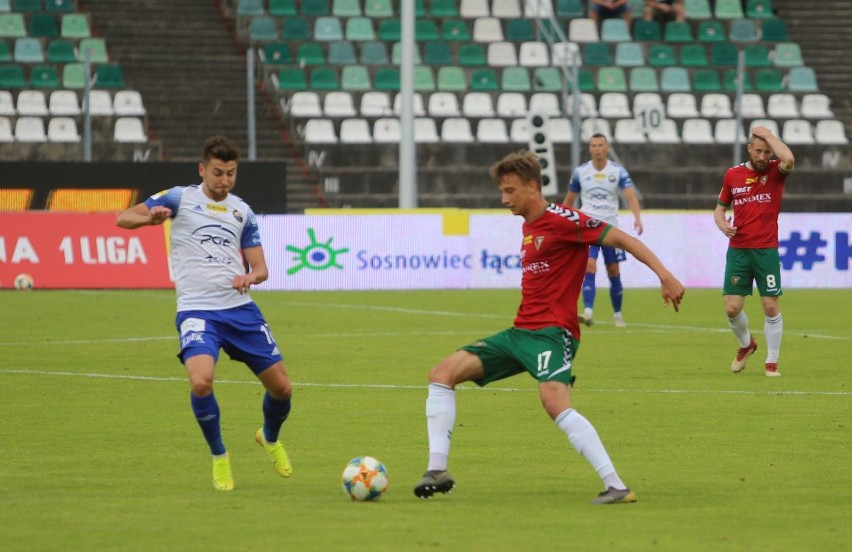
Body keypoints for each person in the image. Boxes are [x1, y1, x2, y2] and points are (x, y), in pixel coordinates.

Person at [413, 151, 684, 504]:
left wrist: (665, 275)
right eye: (502, 191)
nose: (503, 199)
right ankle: (437, 469)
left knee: (554, 401)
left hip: (553, 333)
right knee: (442, 373)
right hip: (520, 333)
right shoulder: (529, 224)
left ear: (531, 186)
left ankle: (616, 485)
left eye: (510, 191)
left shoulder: (564, 219)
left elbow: (622, 239)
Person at [116, 135, 293, 491]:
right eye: (217, 173)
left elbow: (261, 268)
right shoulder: (179, 197)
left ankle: (269, 438)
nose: (224, 180)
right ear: (202, 170)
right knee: (200, 381)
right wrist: (150, 218)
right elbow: (124, 217)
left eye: (230, 173)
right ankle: (219, 456)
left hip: (239, 310)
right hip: (198, 310)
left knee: (282, 389)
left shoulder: (242, 211)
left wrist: (250, 276)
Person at [714, 126, 795, 377]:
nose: (762, 157)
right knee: (731, 308)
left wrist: (769, 136)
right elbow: (719, 208)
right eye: (758, 151)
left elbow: (789, 159)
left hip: (766, 250)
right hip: (738, 250)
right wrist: (722, 224)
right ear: (749, 149)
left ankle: (772, 361)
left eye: (767, 152)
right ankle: (746, 344)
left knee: (770, 305)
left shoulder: (775, 172)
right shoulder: (732, 175)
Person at [563, 133, 643, 328]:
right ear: (589, 149)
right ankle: (588, 311)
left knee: (613, 270)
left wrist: (637, 217)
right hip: (587, 228)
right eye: (593, 145)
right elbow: (570, 199)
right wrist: (561, 219)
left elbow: (630, 196)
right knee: (589, 265)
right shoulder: (581, 172)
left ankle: (617, 314)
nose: (597, 148)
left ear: (607, 147)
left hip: (610, 229)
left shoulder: (617, 171)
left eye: (600, 145)